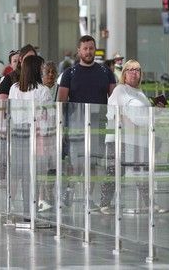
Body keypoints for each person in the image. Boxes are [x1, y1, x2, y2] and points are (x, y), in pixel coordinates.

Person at [101, 59, 168, 215]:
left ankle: (150, 203)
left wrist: (156, 110)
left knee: (141, 172)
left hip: (138, 139)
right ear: (124, 73)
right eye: (130, 69)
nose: (133, 72)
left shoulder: (140, 93)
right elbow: (117, 113)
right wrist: (133, 126)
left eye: (137, 69)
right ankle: (104, 204)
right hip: (120, 139)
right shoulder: (120, 90)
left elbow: (145, 116)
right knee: (114, 170)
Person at [57, 35, 116, 210]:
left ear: (95, 49)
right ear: (79, 50)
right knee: (76, 163)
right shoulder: (69, 73)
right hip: (76, 124)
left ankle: (88, 197)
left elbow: (113, 99)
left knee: (92, 162)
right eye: (85, 49)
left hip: (98, 125)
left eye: (91, 48)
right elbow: (61, 101)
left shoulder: (105, 72)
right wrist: (63, 126)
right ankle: (70, 191)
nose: (88, 52)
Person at [8, 55, 52, 216]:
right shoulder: (43, 90)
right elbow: (47, 116)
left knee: (21, 174)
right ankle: (30, 210)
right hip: (36, 134)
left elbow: (11, 111)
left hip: (18, 132)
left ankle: (26, 209)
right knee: (33, 174)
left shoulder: (14, 88)